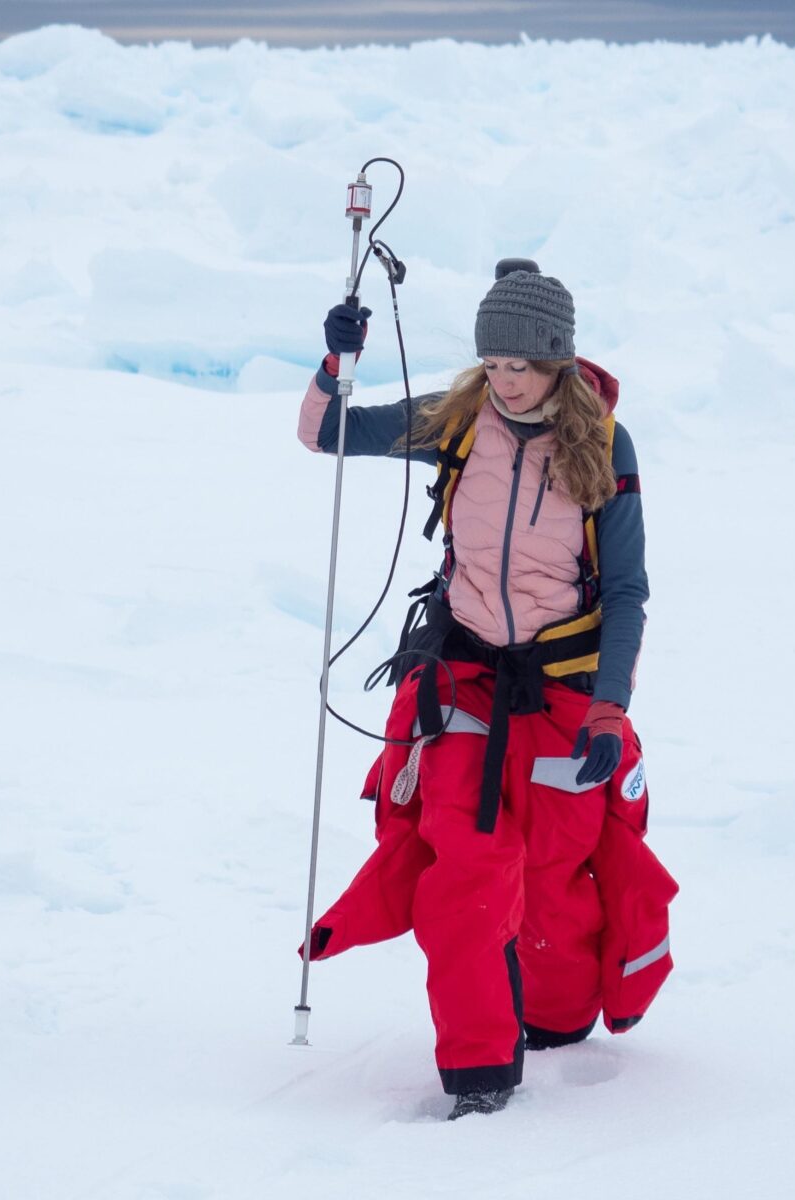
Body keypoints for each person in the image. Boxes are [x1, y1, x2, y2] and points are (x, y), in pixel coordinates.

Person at [295, 260, 677, 1121]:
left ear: (559, 363)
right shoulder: (459, 419)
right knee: (463, 871)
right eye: (493, 364)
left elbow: (626, 593)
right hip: (463, 677)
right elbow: (328, 435)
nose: (505, 382)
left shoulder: (604, 446)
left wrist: (611, 705)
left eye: (522, 366)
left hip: (563, 692)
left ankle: (555, 1017)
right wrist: (334, 363)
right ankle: (478, 1073)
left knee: (555, 877)